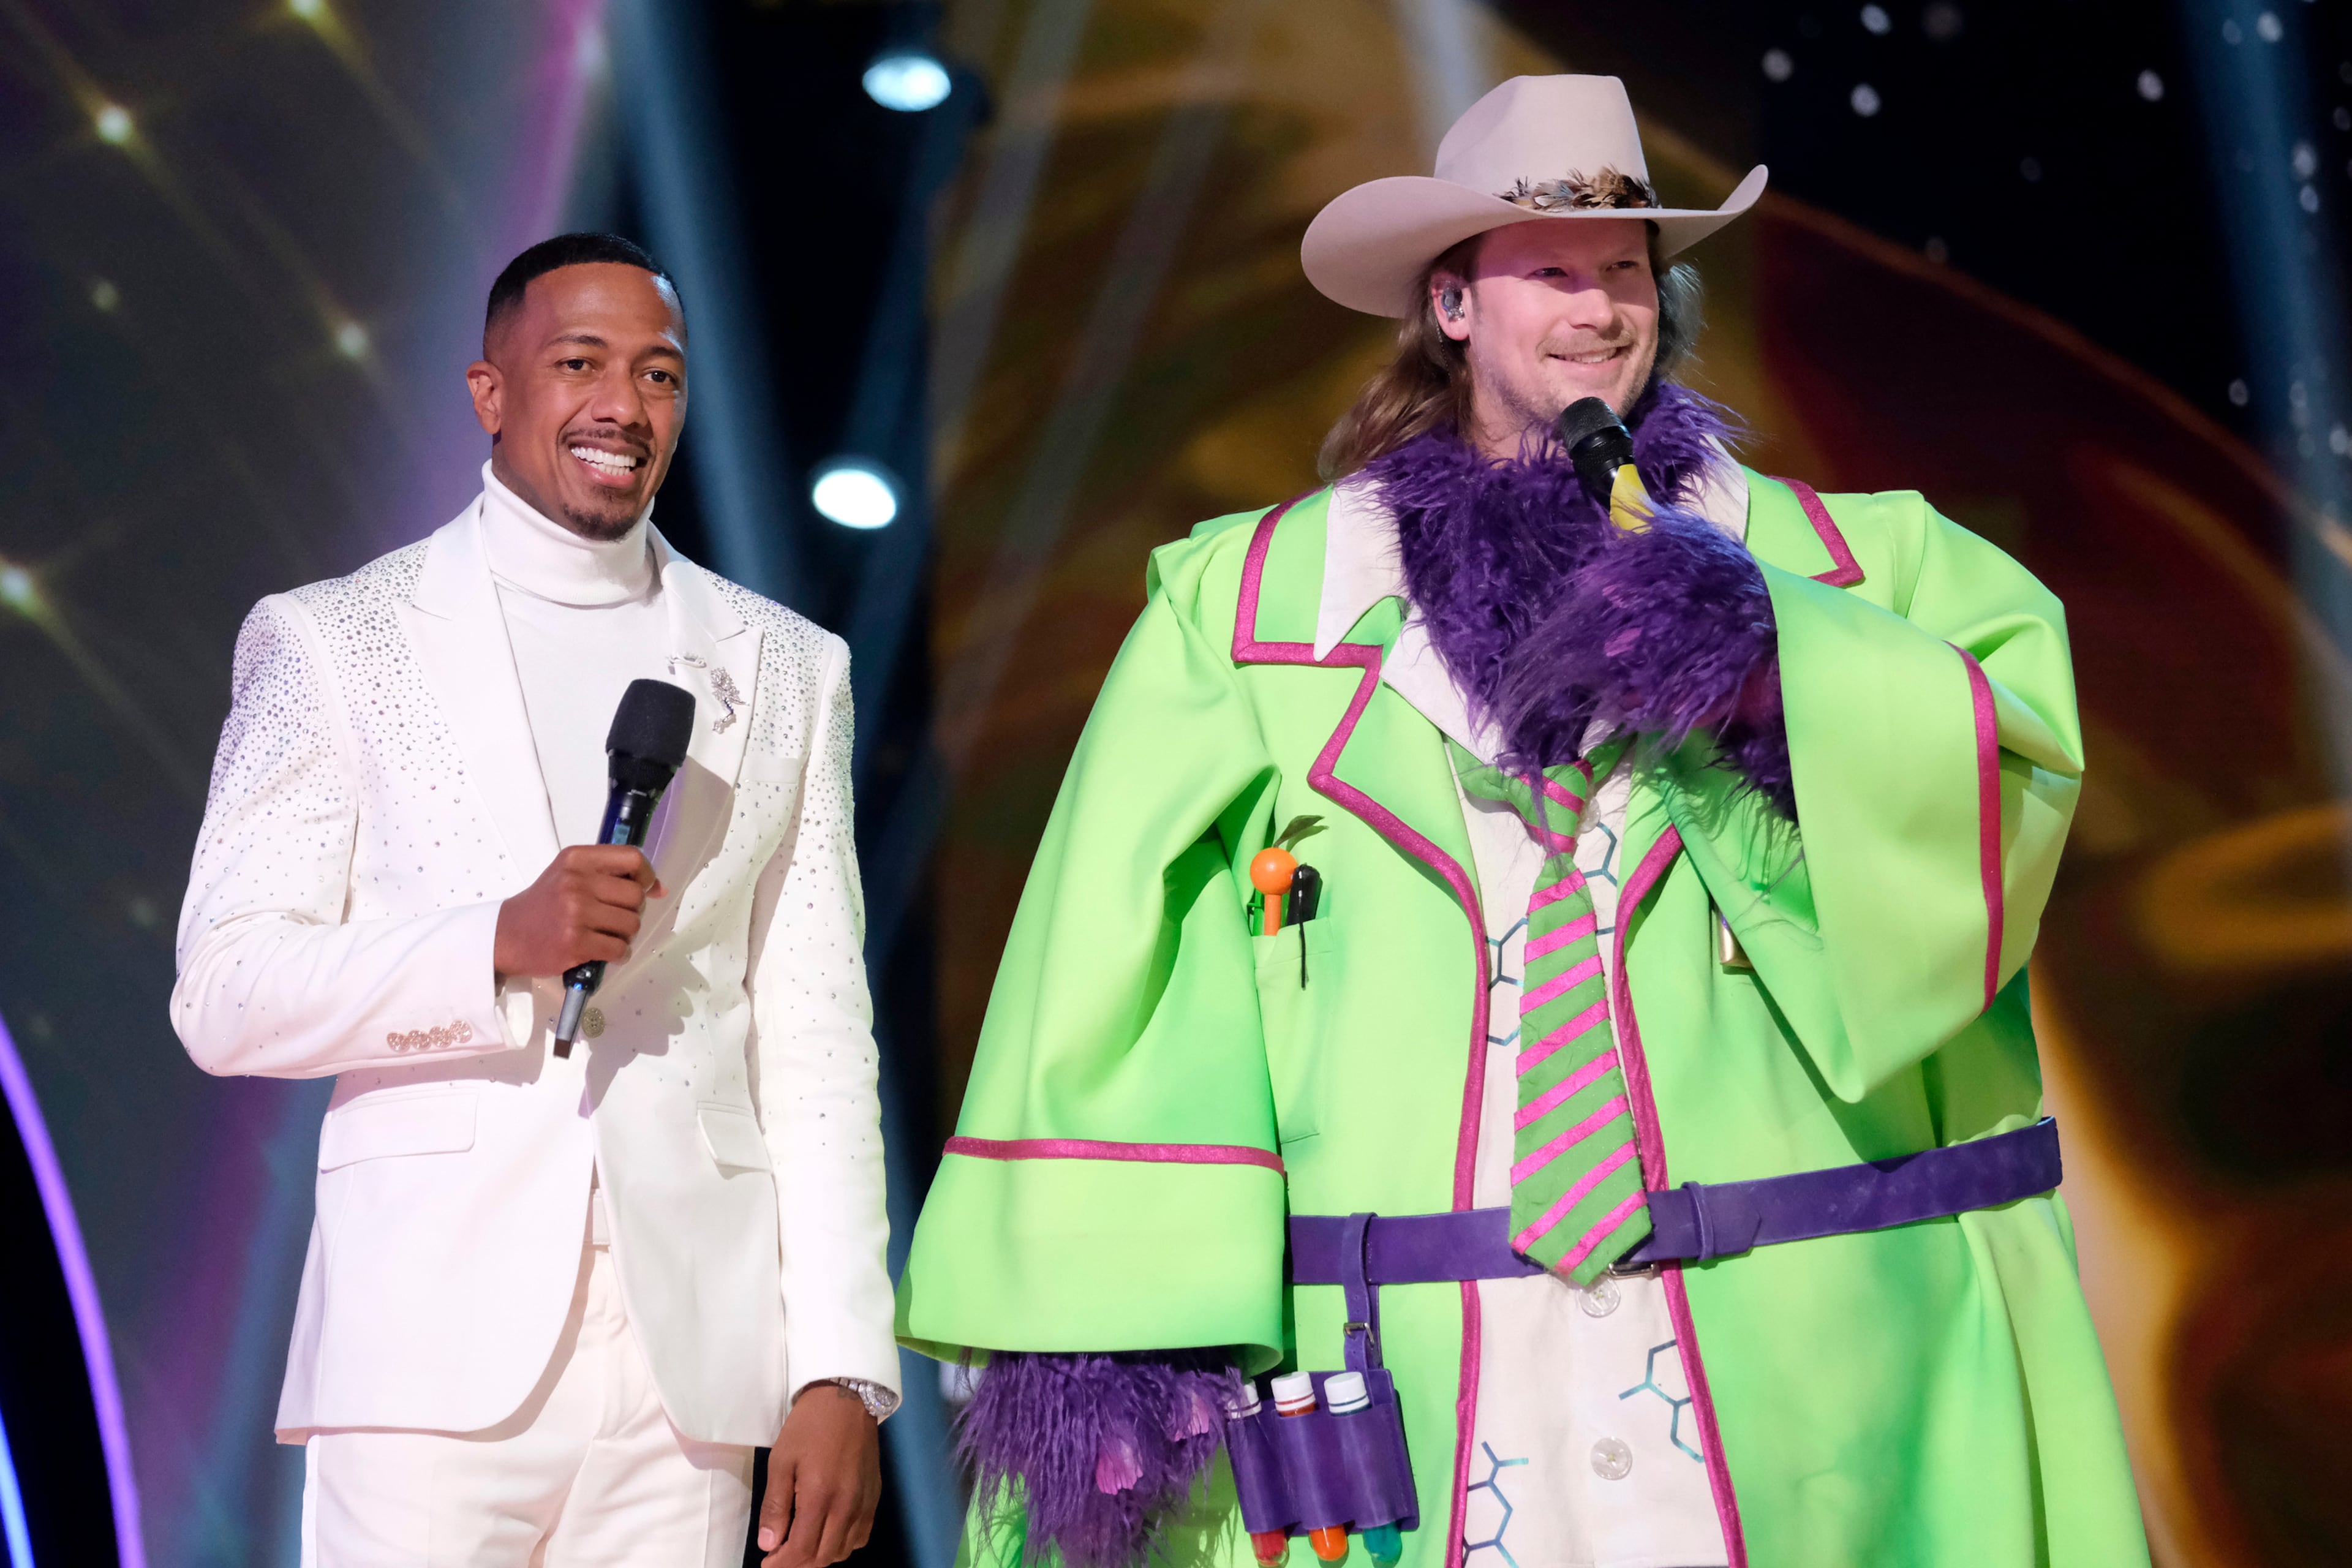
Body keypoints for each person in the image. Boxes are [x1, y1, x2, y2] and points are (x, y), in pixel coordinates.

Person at [896, 77, 2149, 1568]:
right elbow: (1119, 958)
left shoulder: (1850, 571)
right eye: (1554, 268)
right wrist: (1114, 1326)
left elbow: (2002, 784)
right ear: (1451, 302)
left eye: (1626, 268)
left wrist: (1765, 665)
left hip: (1803, 1366)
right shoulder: (1247, 611)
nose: (1601, 305)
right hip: (1423, 1379)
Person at [173, 233, 898, 1567]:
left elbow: (816, 1036)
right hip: (425, 1363)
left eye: (660, 373)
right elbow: (224, 989)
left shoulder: (792, 666)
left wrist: (842, 1366)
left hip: (688, 1371)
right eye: (579, 363)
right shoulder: (336, 638)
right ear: (490, 390)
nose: (623, 403)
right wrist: (494, 942)